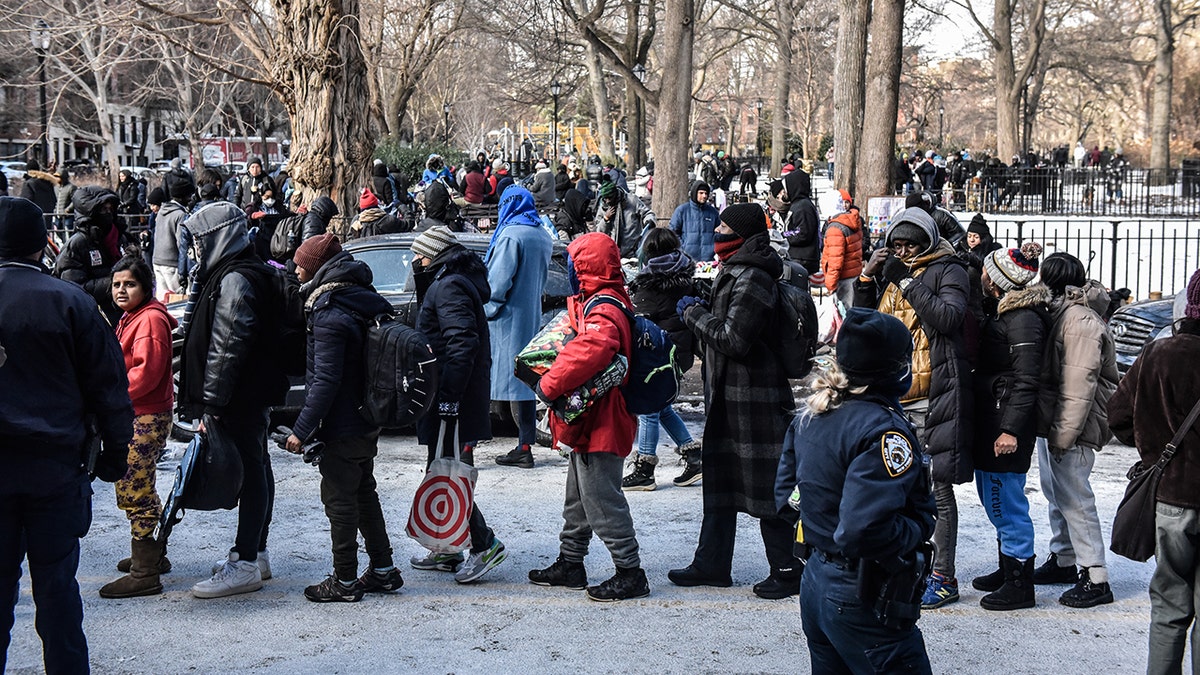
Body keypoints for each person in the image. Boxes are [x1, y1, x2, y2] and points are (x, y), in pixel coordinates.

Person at [0, 196, 133, 672]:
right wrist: (117, 454)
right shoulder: (71, 302)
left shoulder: (69, 300)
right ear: (42, 245)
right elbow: (109, 388)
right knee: (57, 589)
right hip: (55, 468)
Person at [778, 307, 936, 673]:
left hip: (818, 580)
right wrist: (919, 527)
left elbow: (788, 496)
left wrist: (820, 524)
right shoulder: (882, 431)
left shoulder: (815, 413)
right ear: (895, 369)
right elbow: (863, 530)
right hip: (858, 590)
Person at [669, 203, 800, 600]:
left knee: (767, 489)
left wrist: (692, 314)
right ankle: (711, 563)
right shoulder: (734, 270)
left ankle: (788, 567)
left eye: (724, 226)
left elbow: (733, 338)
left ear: (741, 235)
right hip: (729, 397)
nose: (717, 230)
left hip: (755, 401)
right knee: (721, 483)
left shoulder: (755, 277)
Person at [856, 206, 973, 610]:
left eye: (910, 245)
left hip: (932, 394)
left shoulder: (948, 269)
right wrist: (869, 276)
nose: (903, 252)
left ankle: (943, 576)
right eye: (897, 245)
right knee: (895, 487)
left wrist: (905, 280)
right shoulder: (894, 272)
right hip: (893, 396)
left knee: (936, 489)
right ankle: (907, 566)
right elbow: (865, 323)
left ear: (927, 241)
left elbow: (947, 317)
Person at [176, 201, 292, 599]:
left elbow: (227, 347)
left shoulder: (236, 279)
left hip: (239, 395)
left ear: (216, 239)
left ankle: (244, 562)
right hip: (248, 392)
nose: (193, 252)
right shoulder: (242, 272)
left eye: (197, 242)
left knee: (251, 470)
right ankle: (253, 553)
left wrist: (213, 404)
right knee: (257, 465)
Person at [527, 232, 649, 602]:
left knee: (601, 499)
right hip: (589, 414)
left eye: (574, 265)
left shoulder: (605, 308)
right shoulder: (599, 300)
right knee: (578, 497)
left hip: (603, 418)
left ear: (586, 268)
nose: (569, 272)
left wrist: (550, 382)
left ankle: (630, 572)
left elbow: (592, 348)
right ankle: (571, 561)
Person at [286, 233, 404, 602]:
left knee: (339, 499)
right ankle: (383, 570)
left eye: (301, 263)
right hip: (367, 416)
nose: (295, 268)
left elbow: (326, 380)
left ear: (316, 267)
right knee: (364, 492)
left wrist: (301, 430)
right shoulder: (360, 299)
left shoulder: (329, 311)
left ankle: (345, 581)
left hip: (343, 422)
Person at [1109, 269, 1200, 675]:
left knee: (1168, 605)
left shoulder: (1160, 354)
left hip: (1172, 499)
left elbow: (1119, 416)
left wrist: (1154, 445)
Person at [409, 226, 508, 583]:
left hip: (451, 398)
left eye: (419, 255)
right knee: (441, 468)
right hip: (450, 394)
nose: (415, 262)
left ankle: (484, 545)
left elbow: (461, 343)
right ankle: (447, 549)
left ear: (433, 255)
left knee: (450, 473)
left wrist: (449, 398)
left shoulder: (448, 285)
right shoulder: (451, 281)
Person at [1033, 252, 1118, 608]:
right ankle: (1065, 558)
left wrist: (1064, 436)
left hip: (1074, 424)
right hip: (1058, 420)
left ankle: (1095, 574)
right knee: (1057, 492)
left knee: (1076, 498)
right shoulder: (1064, 313)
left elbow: (1078, 385)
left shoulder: (1080, 321)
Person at [969, 243, 1047, 611]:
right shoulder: (1005, 312)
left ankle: (1020, 583)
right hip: (993, 417)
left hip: (1006, 424)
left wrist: (1011, 430)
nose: (982, 276)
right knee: (993, 498)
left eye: (987, 271)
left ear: (998, 281)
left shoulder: (1023, 319)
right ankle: (1008, 566)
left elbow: (1027, 380)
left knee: (1006, 502)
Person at [99, 255, 177, 599]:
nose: (121, 289)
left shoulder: (149, 320)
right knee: (139, 481)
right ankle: (152, 555)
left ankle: (145, 571)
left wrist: (110, 396)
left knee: (134, 485)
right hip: (137, 412)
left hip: (144, 414)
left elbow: (145, 374)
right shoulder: (133, 316)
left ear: (145, 287)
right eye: (116, 284)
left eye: (129, 284)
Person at [622, 228, 702, 491]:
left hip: (658, 357)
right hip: (681, 353)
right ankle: (693, 457)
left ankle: (645, 469)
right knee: (662, 406)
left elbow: (640, 323)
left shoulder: (650, 283)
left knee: (648, 408)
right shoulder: (686, 276)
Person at [485, 187, 554, 469]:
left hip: (504, 320)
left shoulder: (511, 235)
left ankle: (466, 447)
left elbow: (498, 282)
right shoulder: (541, 234)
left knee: (487, 382)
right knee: (524, 385)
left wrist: (485, 308)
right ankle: (524, 445)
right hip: (531, 316)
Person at [53, 186, 133, 326]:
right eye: (103, 209)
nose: (108, 213)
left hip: (122, 313)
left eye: (110, 209)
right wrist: (116, 282)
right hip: (93, 319)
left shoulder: (119, 237)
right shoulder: (77, 244)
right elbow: (73, 288)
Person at [153, 167, 195, 301]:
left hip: (157, 260)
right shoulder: (180, 215)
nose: (190, 199)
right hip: (172, 263)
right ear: (183, 196)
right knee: (178, 301)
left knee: (162, 300)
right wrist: (185, 270)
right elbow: (181, 244)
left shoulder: (162, 211)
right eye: (189, 196)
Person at [819, 188, 865, 308]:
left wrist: (830, 284)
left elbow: (835, 260)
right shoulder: (851, 221)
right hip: (854, 274)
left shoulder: (835, 228)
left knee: (843, 315)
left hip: (843, 278)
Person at [592, 177, 655, 259]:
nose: (607, 201)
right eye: (605, 199)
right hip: (613, 252)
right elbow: (599, 232)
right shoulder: (603, 207)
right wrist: (605, 219)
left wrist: (649, 221)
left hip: (632, 250)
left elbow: (647, 213)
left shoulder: (631, 200)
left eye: (610, 198)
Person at [669, 180, 720, 263]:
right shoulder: (682, 210)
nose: (704, 196)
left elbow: (719, 232)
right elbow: (672, 232)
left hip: (708, 260)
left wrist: (714, 249)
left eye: (706, 193)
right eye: (701, 193)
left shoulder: (713, 212)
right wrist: (682, 247)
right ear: (694, 193)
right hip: (686, 260)